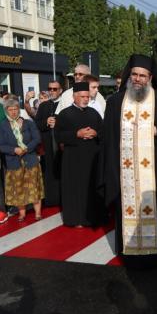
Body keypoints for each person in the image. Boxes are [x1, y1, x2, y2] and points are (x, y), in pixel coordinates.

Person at [100, 54, 157, 269]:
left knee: (156, 213)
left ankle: (156, 256)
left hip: (153, 175)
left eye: (143, 76)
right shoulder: (115, 102)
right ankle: (129, 255)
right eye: (134, 74)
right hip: (124, 174)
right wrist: (110, 171)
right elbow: (108, 139)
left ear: (150, 78)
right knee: (125, 211)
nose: (138, 79)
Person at [55, 82, 103, 227]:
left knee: (91, 188)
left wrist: (96, 133)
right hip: (73, 160)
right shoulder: (64, 114)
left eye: (87, 97)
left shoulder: (94, 113)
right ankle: (76, 219)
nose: (85, 99)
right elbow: (58, 136)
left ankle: (93, 217)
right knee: (75, 190)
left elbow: (104, 131)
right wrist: (77, 133)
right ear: (74, 96)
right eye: (82, 96)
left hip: (92, 159)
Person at [0, 99, 44, 222]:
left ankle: (37, 213)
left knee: (34, 186)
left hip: (30, 159)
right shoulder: (2, 126)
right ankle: (22, 213)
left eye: (15, 109)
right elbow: (1, 145)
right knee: (18, 188)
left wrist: (26, 148)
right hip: (13, 161)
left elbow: (37, 138)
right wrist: (14, 150)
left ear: (19, 109)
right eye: (10, 110)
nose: (13, 112)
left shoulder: (28, 123)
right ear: (6, 111)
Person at [34, 81, 63, 206]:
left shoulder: (65, 104)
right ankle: (51, 199)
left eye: (55, 89)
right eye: (50, 89)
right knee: (49, 171)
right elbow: (37, 124)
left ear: (60, 90)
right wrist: (46, 121)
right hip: (47, 144)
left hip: (61, 143)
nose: (52, 91)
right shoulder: (43, 106)